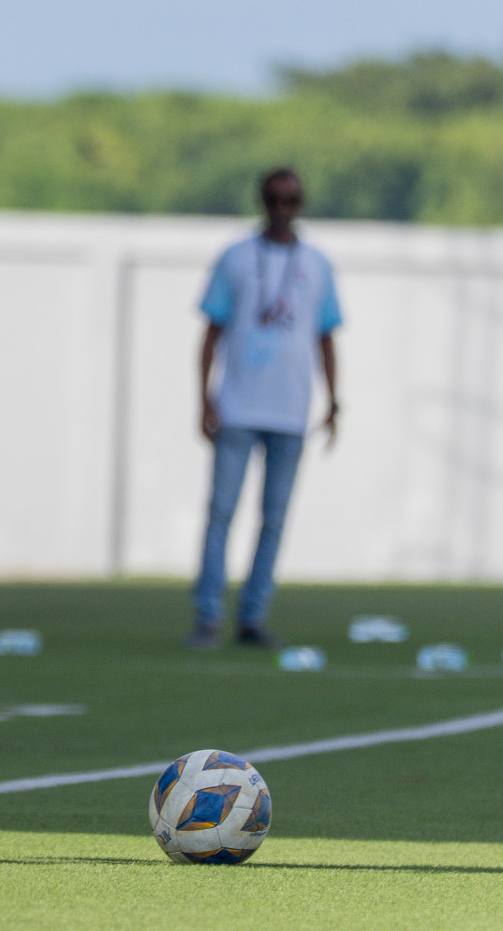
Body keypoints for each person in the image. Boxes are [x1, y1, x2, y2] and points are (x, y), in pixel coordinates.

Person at [189, 168, 342, 650]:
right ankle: (208, 615)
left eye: (290, 200)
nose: (282, 209)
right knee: (221, 513)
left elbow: (326, 336)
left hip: (291, 410)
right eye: (274, 199)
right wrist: (204, 398)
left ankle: (253, 617)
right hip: (237, 407)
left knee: (273, 521)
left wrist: (334, 402)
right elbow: (211, 333)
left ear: (301, 204)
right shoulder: (235, 257)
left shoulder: (317, 263)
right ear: (262, 201)